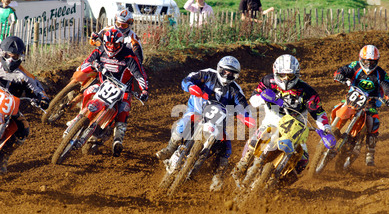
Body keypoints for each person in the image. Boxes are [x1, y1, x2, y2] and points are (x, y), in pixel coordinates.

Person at [155, 56, 254, 191]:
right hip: (197, 111)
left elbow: (243, 106)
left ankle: (217, 177)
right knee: (183, 124)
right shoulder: (207, 74)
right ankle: (170, 148)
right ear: (219, 69)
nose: (227, 75)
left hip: (218, 123)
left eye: (231, 73)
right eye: (225, 71)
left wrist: (246, 117)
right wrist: (190, 86)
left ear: (235, 75)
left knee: (226, 148)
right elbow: (187, 79)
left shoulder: (236, 90)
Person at [232, 54, 331, 181]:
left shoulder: (307, 91)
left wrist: (326, 129)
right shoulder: (268, 81)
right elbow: (253, 100)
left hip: (297, 125)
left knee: (303, 160)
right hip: (273, 119)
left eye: (290, 76)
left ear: (296, 75)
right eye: (282, 75)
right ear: (275, 72)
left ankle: (281, 184)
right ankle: (244, 162)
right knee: (260, 135)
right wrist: (263, 97)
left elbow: (318, 113)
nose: (286, 79)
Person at [66, 28, 149, 157]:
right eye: (109, 44)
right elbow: (86, 63)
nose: (111, 47)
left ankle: (117, 139)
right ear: (105, 43)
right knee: (89, 91)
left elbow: (139, 74)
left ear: (121, 44)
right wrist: (91, 65)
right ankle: (78, 118)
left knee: (124, 109)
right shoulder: (100, 50)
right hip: (103, 84)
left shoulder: (128, 56)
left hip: (123, 90)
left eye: (115, 44)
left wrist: (144, 90)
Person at [333, 44, 389, 166]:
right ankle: (332, 128)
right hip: (353, 99)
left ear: (376, 61)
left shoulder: (380, 74)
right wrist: (339, 75)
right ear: (361, 59)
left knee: (372, 121)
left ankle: (370, 152)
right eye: (366, 61)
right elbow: (343, 69)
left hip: (370, 103)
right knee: (338, 108)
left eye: (371, 62)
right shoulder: (355, 66)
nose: (368, 65)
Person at [0, 36, 50, 173]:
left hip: (8, 105)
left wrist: (43, 98)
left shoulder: (24, 75)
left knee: (23, 128)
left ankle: (3, 156)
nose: (11, 59)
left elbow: (37, 88)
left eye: (15, 56)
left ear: (20, 57)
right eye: (8, 55)